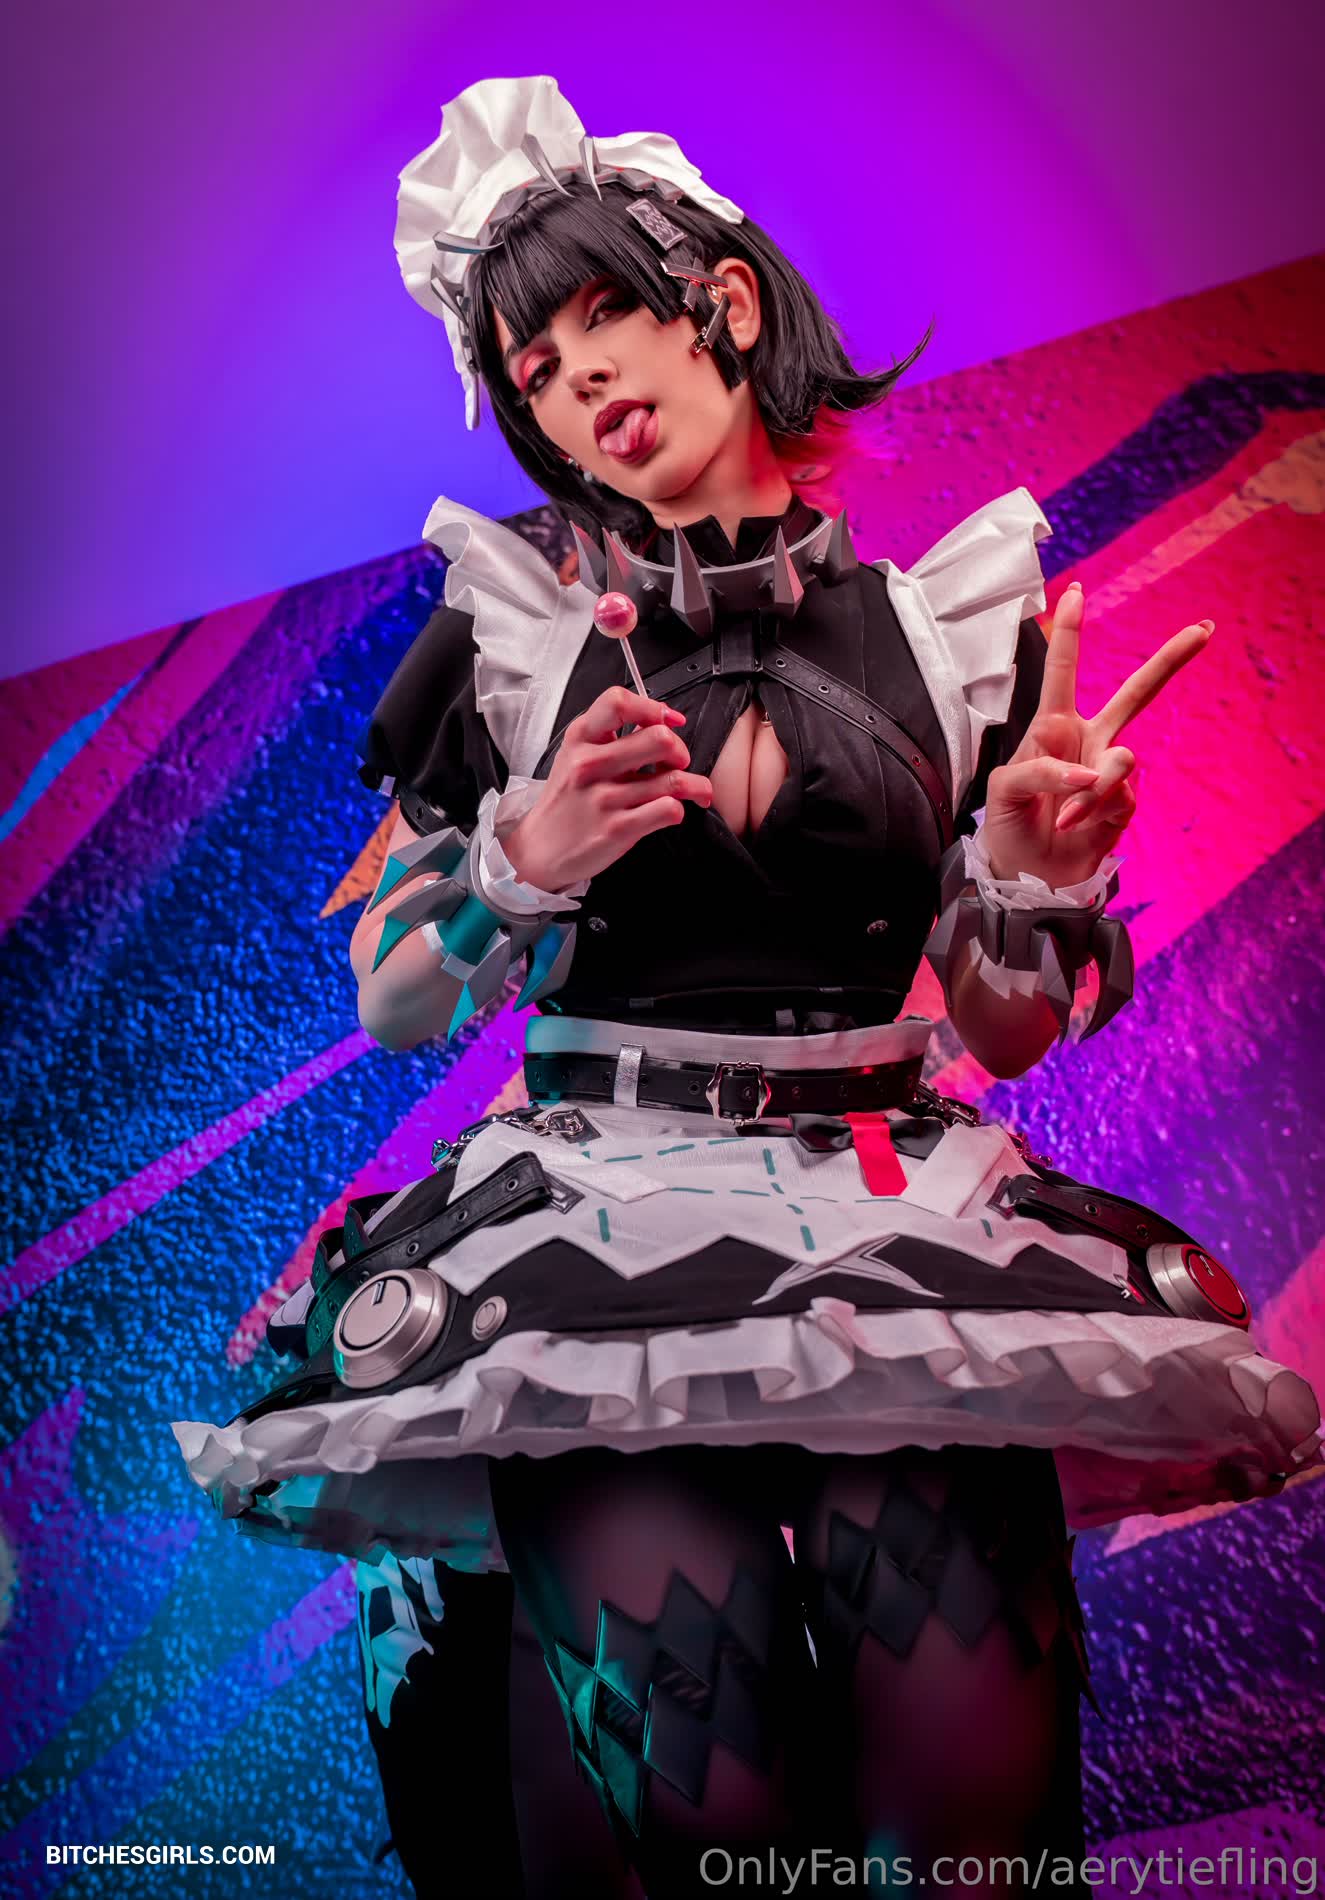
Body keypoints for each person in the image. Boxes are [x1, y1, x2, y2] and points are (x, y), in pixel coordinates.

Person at [174, 75, 1322, 1898]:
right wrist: (520, 866)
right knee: (709, 1831)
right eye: (533, 371)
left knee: (972, 1845)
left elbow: (1004, 1027)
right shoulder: (510, 637)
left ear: (714, 298)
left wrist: (1036, 870)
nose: (578, 382)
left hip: (898, 1219)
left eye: (600, 316)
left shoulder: (949, 631)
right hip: (592, 1239)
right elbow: (394, 999)